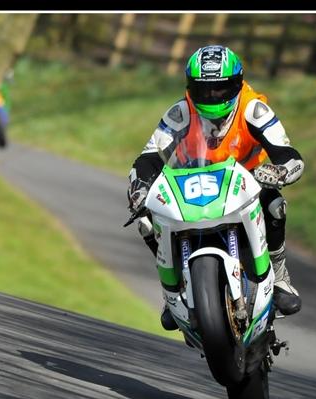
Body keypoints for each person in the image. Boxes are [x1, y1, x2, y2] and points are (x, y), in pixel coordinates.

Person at [126, 45, 304, 331]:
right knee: (147, 221)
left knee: (275, 205)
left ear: (237, 83)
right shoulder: (180, 112)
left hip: (245, 185)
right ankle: (175, 293)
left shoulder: (253, 108)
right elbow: (148, 156)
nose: (212, 96)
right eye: (204, 90)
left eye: (220, 89)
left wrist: (279, 171)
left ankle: (280, 278)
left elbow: (289, 154)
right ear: (190, 87)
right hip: (191, 187)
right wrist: (139, 186)